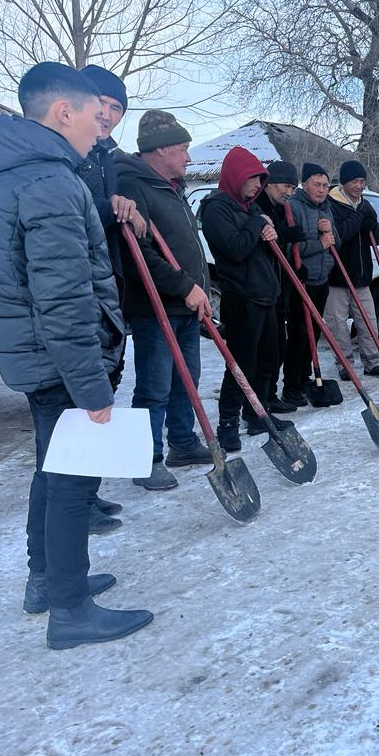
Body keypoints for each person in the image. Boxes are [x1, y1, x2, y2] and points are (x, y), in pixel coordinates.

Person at [0, 62, 152, 648]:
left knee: (51, 472)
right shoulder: (50, 181)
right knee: (73, 481)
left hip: (31, 352)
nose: (101, 126)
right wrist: (92, 385)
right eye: (93, 114)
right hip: (60, 357)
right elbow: (62, 295)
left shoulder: (3, 174)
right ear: (62, 112)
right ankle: (71, 610)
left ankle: (47, 580)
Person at [115, 110, 214, 490]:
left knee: (186, 379)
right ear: (160, 150)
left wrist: (195, 288)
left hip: (184, 304)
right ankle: (146, 458)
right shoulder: (133, 185)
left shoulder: (171, 186)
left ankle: (183, 442)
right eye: (184, 149)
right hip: (156, 305)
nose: (189, 158)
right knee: (154, 385)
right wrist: (184, 286)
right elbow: (138, 254)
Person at [77, 65, 143, 532]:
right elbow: (74, 216)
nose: (108, 114)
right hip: (81, 297)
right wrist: (111, 208)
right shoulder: (69, 155)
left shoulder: (105, 159)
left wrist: (128, 210)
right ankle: (75, 501)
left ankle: (88, 492)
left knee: (106, 390)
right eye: (101, 103)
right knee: (80, 403)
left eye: (117, 108)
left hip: (109, 292)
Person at [200, 146, 293, 453]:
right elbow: (235, 248)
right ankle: (227, 424)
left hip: (266, 295)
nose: (258, 185)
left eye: (260, 179)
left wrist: (270, 233)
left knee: (269, 358)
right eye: (253, 178)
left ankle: (257, 414)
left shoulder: (250, 207)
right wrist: (258, 224)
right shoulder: (216, 208)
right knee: (241, 365)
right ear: (236, 175)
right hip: (242, 299)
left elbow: (260, 249)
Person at [327, 160, 379, 379]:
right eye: (354, 181)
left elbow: (377, 238)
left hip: (362, 277)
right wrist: (357, 219)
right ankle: (345, 364)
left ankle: (373, 362)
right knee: (338, 324)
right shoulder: (331, 204)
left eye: (362, 181)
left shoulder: (365, 205)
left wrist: (372, 223)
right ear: (344, 182)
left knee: (368, 322)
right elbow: (337, 237)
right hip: (337, 277)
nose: (359, 186)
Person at [284, 162, 340, 402]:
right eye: (316, 185)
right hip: (300, 281)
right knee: (298, 334)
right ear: (304, 184)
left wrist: (331, 233)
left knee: (313, 333)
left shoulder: (327, 209)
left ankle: (306, 375)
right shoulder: (292, 208)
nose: (321, 190)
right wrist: (320, 244)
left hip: (321, 280)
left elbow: (334, 241)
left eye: (325, 185)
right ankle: (291, 385)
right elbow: (288, 249)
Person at [254, 159, 303, 415]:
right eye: (286, 185)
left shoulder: (279, 207)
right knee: (264, 352)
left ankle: (270, 395)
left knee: (277, 349)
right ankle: (258, 403)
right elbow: (262, 240)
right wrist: (285, 234)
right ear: (270, 183)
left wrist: (296, 267)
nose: (290, 192)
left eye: (293, 188)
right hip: (259, 290)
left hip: (278, 286)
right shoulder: (258, 206)